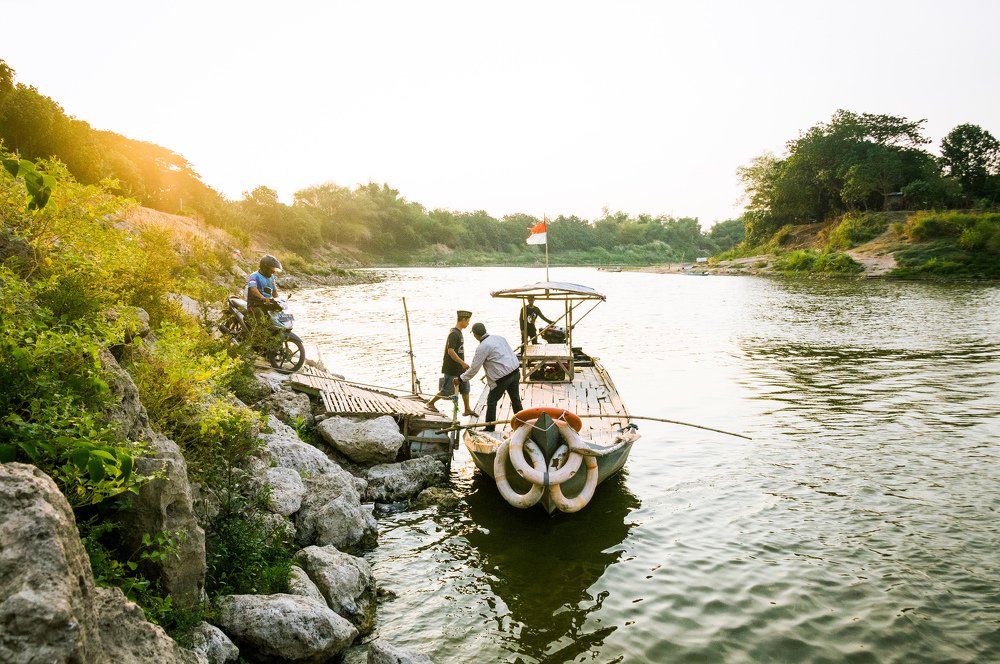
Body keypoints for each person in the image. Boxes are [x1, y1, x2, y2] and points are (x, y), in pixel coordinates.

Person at [461, 322, 523, 432]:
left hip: (503, 378)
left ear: (475, 335)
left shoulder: (482, 347)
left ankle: (490, 427)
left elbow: (474, 368)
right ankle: (522, 423)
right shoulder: (499, 338)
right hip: (515, 372)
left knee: (491, 401)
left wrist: (461, 378)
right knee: (515, 399)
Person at [426, 311, 477, 416]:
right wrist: (462, 362)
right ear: (463, 320)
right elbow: (450, 351)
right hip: (452, 368)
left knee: (465, 388)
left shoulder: (459, 332)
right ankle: (430, 403)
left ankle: (467, 409)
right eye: (467, 321)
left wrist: (462, 365)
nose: (468, 323)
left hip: (460, 368)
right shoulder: (453, 333)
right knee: (447, 390)